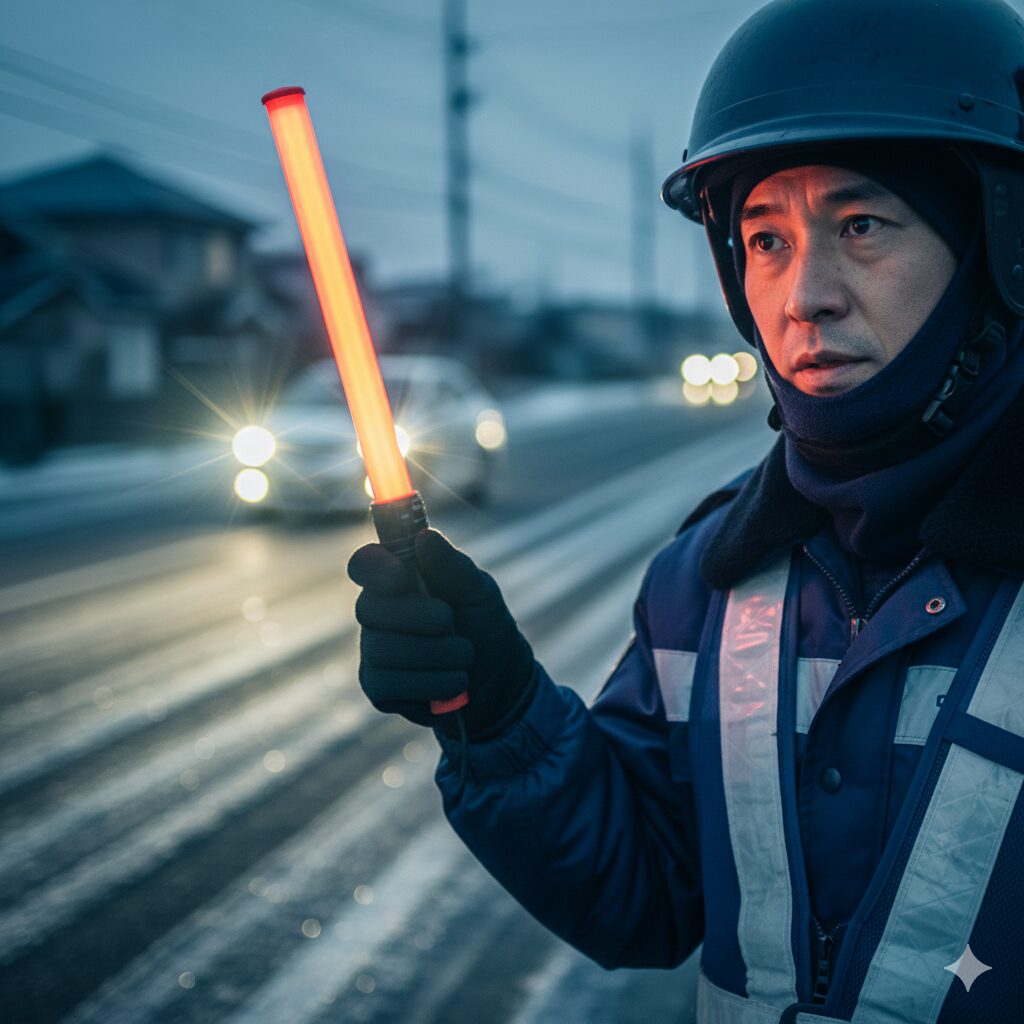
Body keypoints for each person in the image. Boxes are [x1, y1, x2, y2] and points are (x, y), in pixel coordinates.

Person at [347, 0, 1024, 1019]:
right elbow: (652, 894)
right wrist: (501, 715)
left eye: (862, 226)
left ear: (999, 248)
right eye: (763, 238)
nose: (805, 295)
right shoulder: (708, 580)